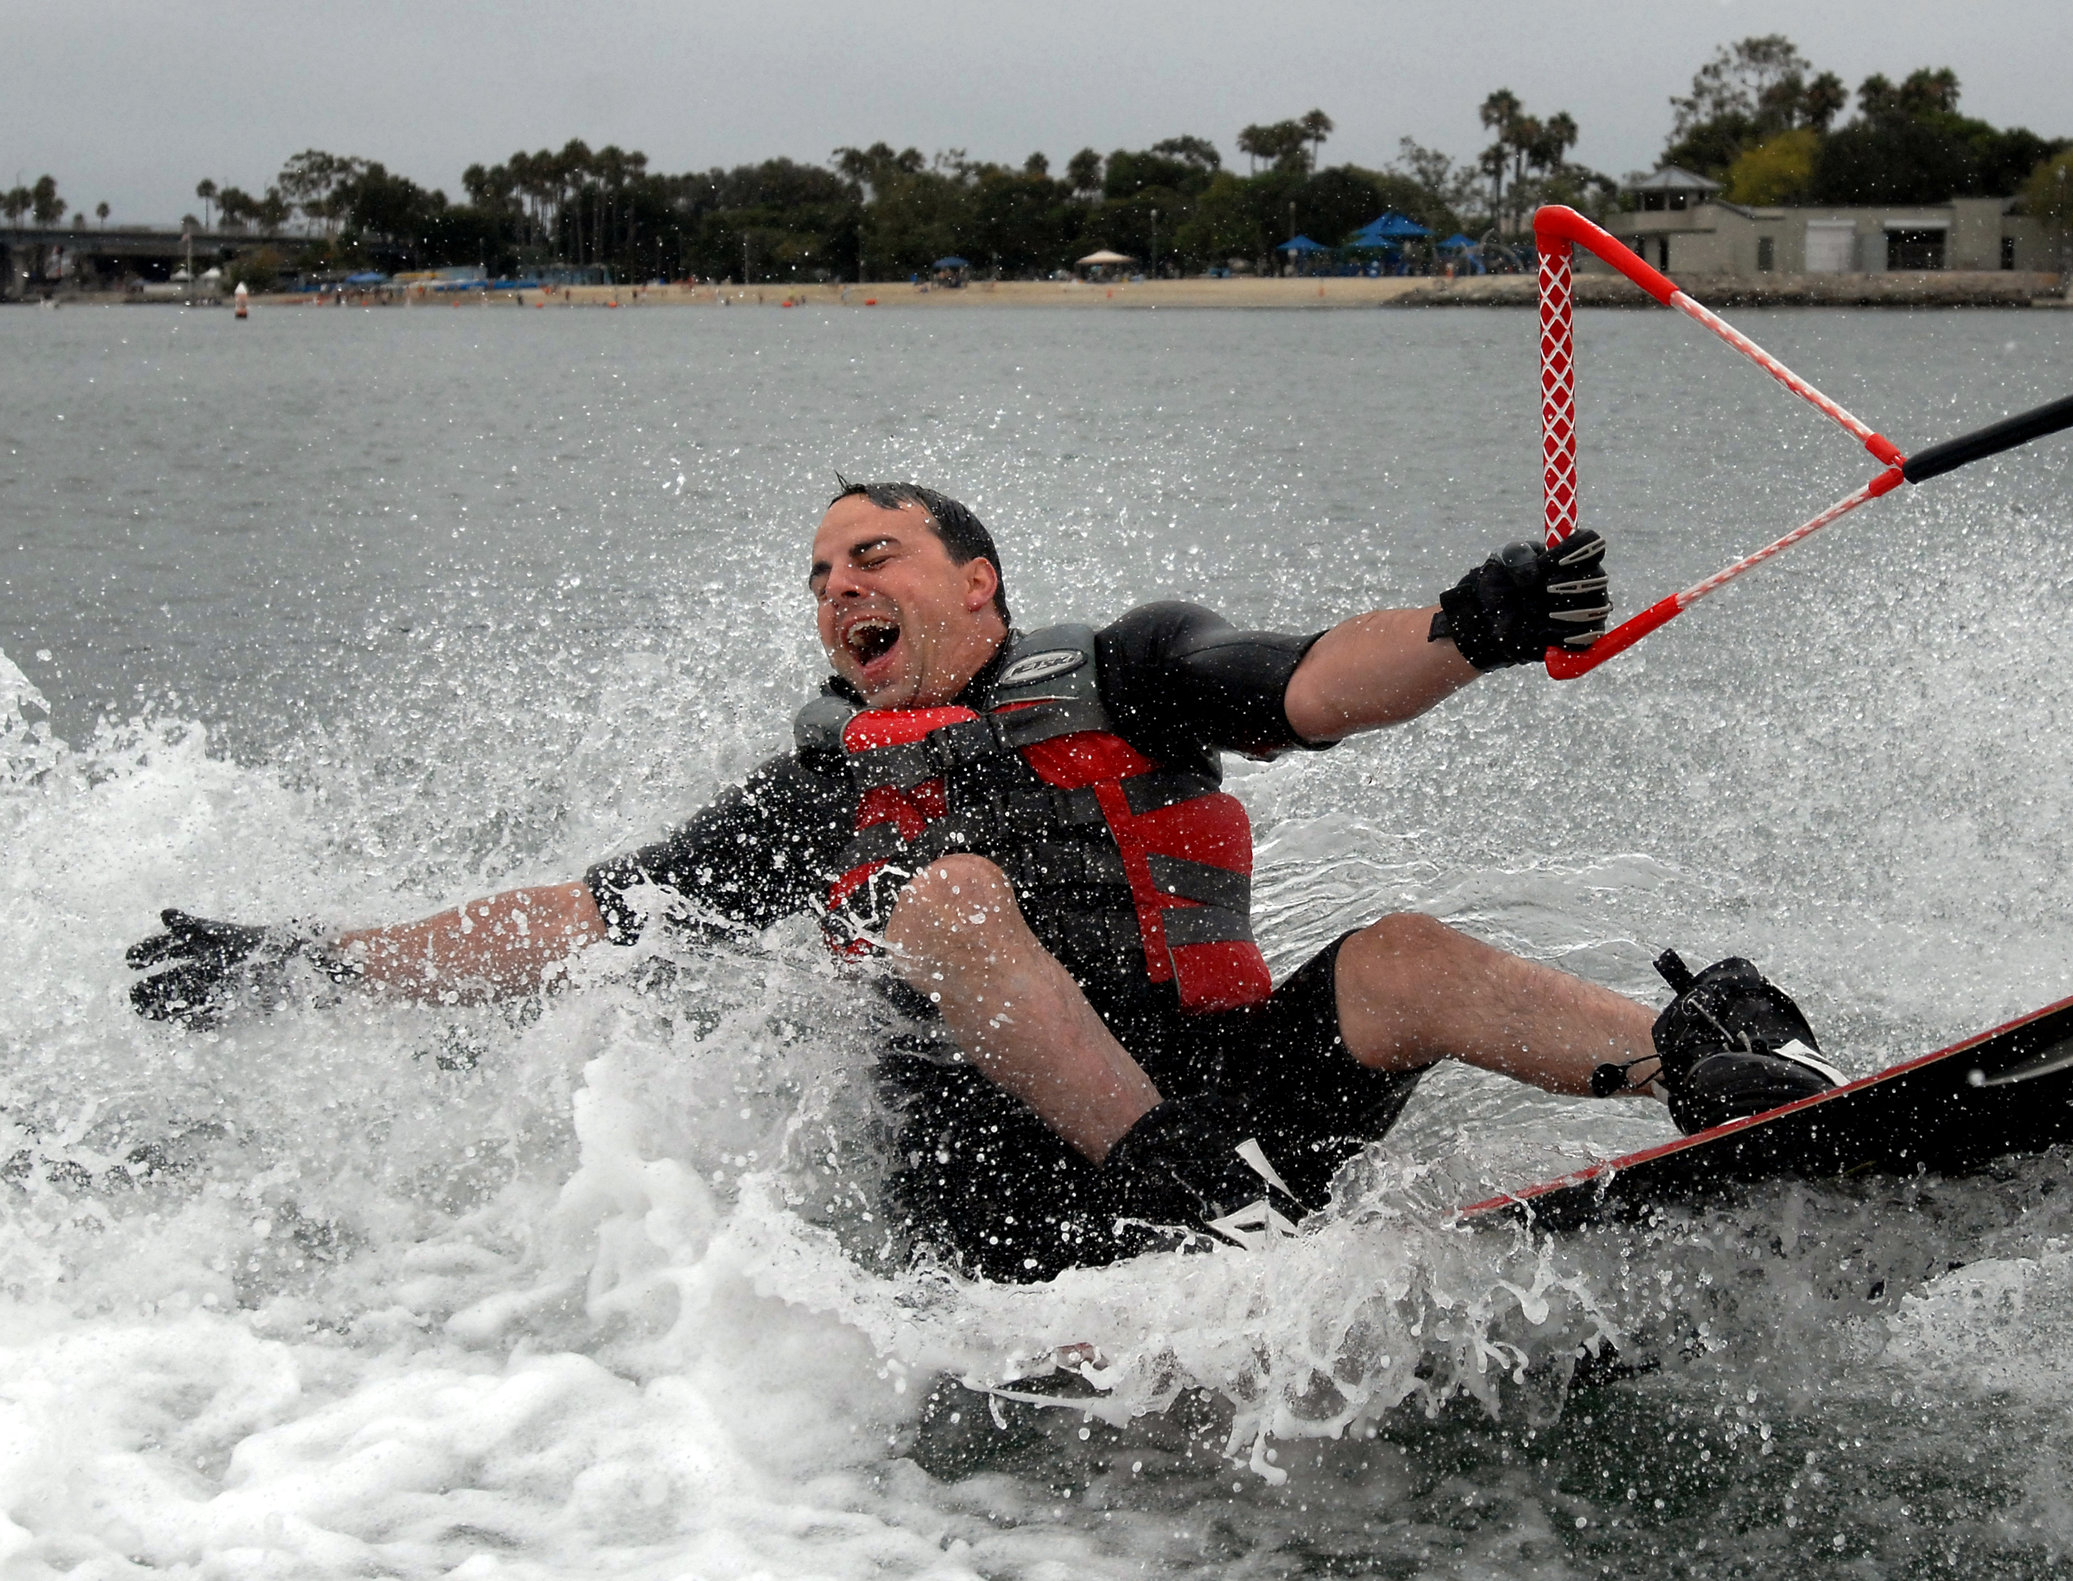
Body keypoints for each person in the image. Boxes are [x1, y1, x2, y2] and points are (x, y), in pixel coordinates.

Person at [126, 480, 1844, 1282]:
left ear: (977, 582)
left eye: (869, 557)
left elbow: (1320, 678)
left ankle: (1704, 1064)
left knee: (1388, 956)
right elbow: (579, 920)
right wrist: (312, 961)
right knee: (940, 900)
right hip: (1017, 1196)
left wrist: (1471, 630)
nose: (834, 593)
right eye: (814, 579)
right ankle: (1186, 1195)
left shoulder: (1138, 667)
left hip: (1236, 1105)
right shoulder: (819, 792)